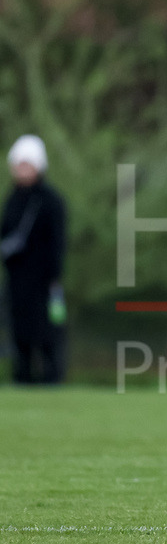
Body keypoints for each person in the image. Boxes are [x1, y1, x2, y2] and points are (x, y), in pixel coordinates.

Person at [1, 134, 67, 385]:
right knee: (19, 328)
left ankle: (51, 376)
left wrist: (54, 276)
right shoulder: (12, 199)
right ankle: (23, 375)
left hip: (44, 279)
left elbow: (57, 242)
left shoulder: (50, 201)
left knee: (48, 328)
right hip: (17, 277)